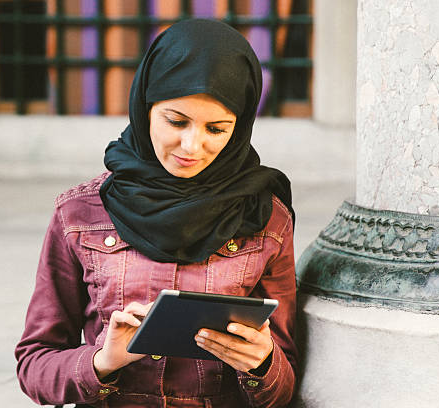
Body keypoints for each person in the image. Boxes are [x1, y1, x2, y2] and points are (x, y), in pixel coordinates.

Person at [15, 19, 297, 408]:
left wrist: (263, 363)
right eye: (176, 121)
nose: (191, 145)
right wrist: (103, 361)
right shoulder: (79, 213)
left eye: (217, 128)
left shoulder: (266, 218)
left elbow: (284, 387)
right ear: (146, 106)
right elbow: (34, 365)